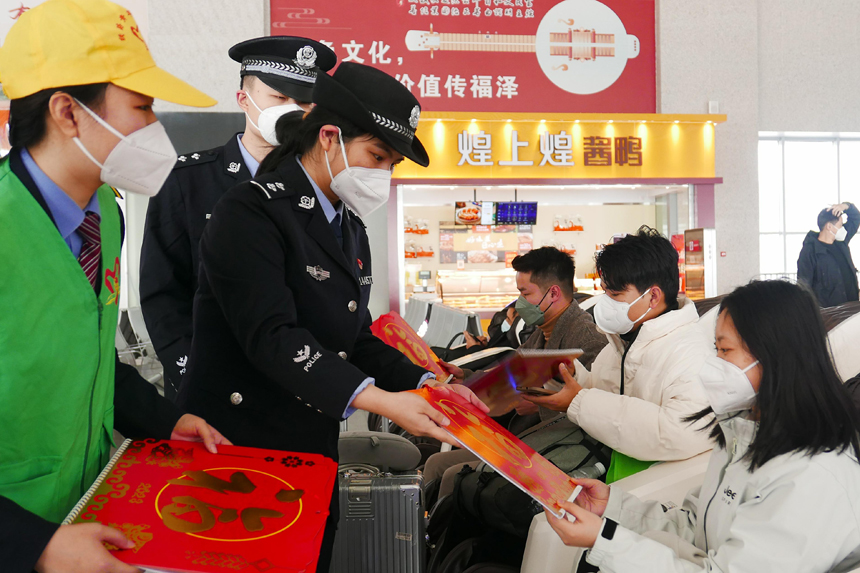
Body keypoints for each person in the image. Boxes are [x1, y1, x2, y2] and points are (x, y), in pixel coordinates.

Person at [176, 62, 487, 571]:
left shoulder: (347, 225)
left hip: (310, 449)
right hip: (240, 450)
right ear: (328, 137)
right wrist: (386, 401)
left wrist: (428, 382)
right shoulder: (250, 211)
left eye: (391, 165)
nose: (381, 175)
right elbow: (272, 336)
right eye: (376, 156)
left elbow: (354, 337)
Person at [0, 1, 231, 571]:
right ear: (68, 112)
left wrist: (165, 419)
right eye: (143, 107)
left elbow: (90, 359)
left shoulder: (105, 210)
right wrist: (35, 546)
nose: (155, 127)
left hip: (91, 511)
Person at [545, 280, 860, 573]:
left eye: (724, 351)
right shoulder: (742, 436)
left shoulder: (809, 477)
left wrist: (604, 542)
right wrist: (611, 508)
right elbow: (695, 527)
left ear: (774, 356)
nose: (713, 364)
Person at [140, 36, 336, 400]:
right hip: (208, 392)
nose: (293, 111)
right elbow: (162, 294)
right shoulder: (187, 180)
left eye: (304, 102)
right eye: (279, 98)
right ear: (244, 100)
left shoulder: (324, 187)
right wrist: (193, 374)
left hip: (298, 391)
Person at [525, 226, 713, 483]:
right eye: (604, 292)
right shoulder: (622, 340)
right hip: (611, 468)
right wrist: (569, 376)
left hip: (655, 489)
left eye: (614, 295)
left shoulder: (691, 352)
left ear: (653, 296)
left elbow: (676, 433)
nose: (605, 303)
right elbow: (603, 391)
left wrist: (578, 401)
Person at [425, 246, 608, 502]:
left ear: (553, 292)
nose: (519, 302)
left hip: (555, 450)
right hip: (524, 440)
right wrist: (465, 377)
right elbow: (508, 373)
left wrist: (538, 405)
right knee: (437, 463)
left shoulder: (586, 340)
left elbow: (596, 408)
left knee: (449, 472)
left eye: (525, 293)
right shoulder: (541, 331)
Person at [797, 202, 860, 308]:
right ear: (829, 227)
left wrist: (845, 206)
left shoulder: (841, 242)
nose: (842, 229)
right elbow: (804, 286)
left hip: (851, 307)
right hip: (830, 314)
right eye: (840, 225)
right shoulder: (810, 251)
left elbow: (856, 218)